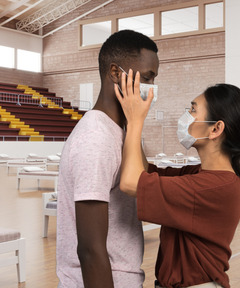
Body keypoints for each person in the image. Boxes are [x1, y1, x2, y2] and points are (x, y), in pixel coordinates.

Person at [114, 70, 240, 288]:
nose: (186, 116)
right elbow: (143, 172)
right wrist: (131, 119)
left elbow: (131, 182)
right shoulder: (200, 175)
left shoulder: (215, 187)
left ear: (216, 129)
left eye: (193, 110)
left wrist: (135, 121)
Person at [56, 30, 159, 288]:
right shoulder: (95, 138)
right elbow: (90, 250)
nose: (151, 88)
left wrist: (135, 121)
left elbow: (143, 184)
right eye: (147, 78)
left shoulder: (121, 131)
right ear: (115, 73)